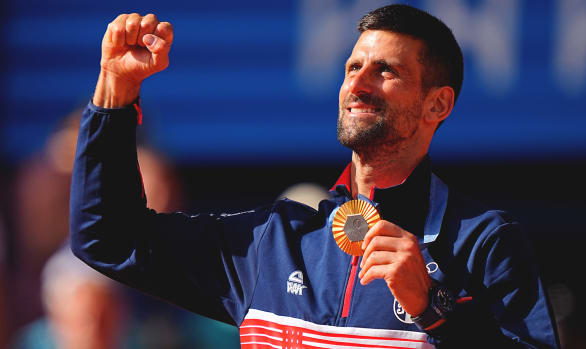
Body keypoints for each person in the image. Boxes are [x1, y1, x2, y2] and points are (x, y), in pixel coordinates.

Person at [70, 4, 559, 348]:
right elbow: (108, 239)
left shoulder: (482, 241)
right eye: (352, 66)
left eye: (384, 71)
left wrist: (436, 310)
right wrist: (116, 91)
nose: (358, 83)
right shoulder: (272, 242)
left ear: (438, 104)